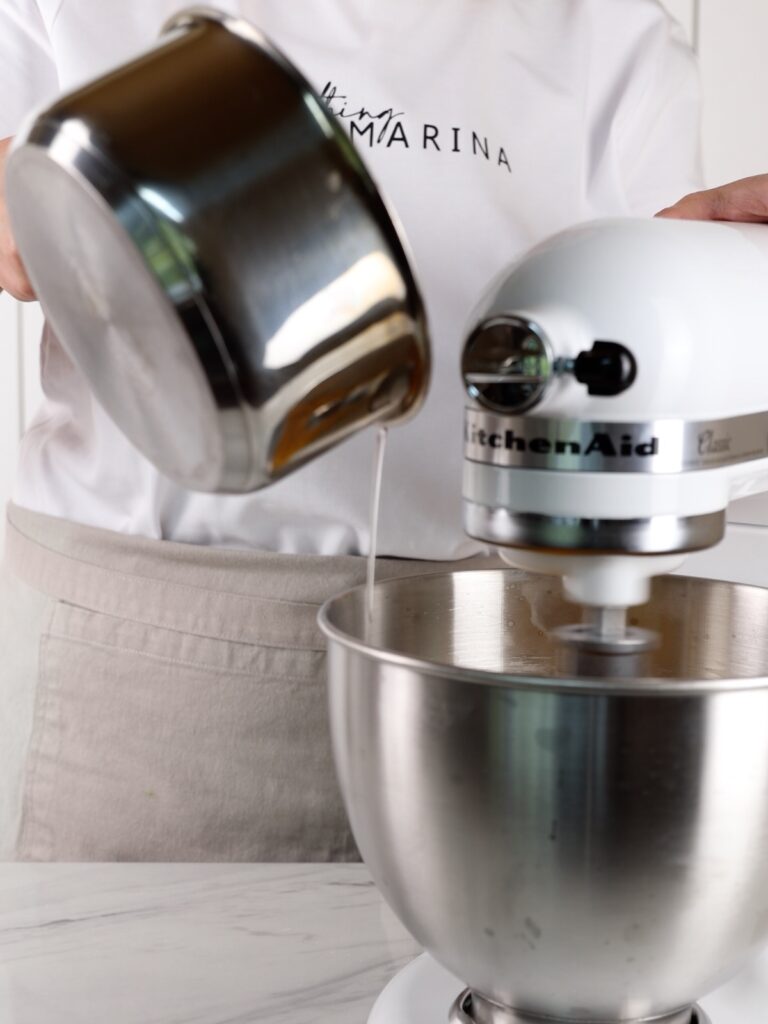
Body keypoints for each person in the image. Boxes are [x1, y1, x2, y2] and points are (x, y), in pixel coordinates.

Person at [0, 0, 732, 862]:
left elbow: (626, 377)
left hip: (468, 659)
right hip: (150, 665)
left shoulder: (609, 35)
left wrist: (687, 297)